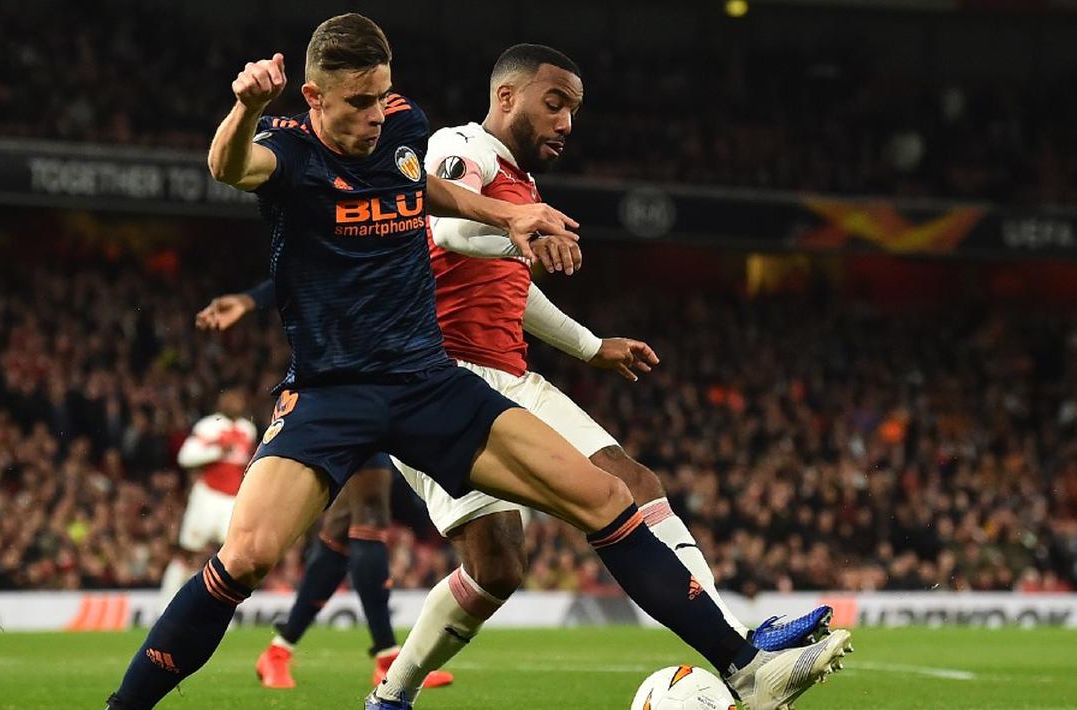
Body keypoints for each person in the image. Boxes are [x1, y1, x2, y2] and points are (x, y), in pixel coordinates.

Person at [104, 14, 849, 710]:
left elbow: (416, 185)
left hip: (429, 383)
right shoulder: (290, 149)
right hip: (332, 391)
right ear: (313, 96)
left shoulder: (402, 126)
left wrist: (509, 213)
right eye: (356, 102)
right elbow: (228, 166)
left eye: (381, 94)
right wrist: (241, 108)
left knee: (604, 497)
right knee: (246, 557)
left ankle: (743, 667)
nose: (374, 113)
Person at [195, 284, 454, 691]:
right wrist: (251, 300)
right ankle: (387, 657)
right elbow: (299, 266)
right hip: (344, 388)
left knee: (338, 540)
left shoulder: (383, 250)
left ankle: (279, 651)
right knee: (370, 512)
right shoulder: (359, 242)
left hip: (374, 384)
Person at [158, 388, 257, 610]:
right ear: (222, 401)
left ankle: (218, 609)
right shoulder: (209, 426)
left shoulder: (247, 429)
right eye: (231, 398)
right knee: (188, 552)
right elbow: (186, 456)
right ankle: (164, 605)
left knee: (233, 556)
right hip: (207, 497)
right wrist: (217, 451)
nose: (235, 402)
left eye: (239, 398)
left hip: (232, 500)